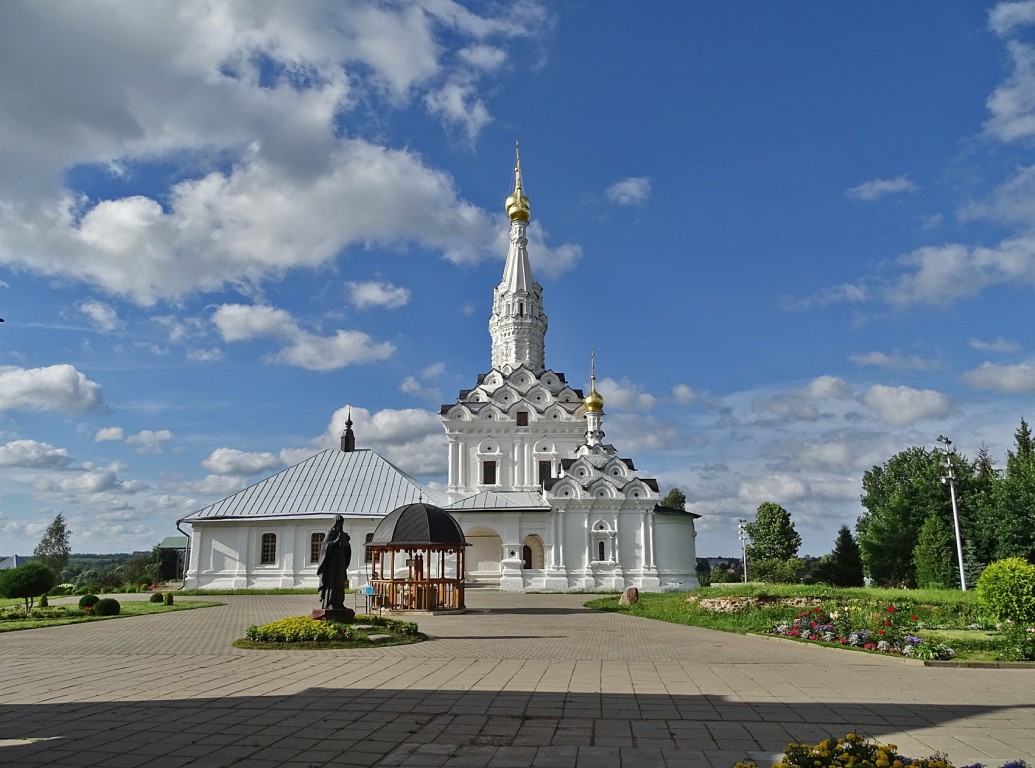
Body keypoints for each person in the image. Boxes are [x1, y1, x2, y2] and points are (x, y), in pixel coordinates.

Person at [317, 515, 351, 610]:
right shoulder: (331, 533)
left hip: (340, 563)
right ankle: (330, 603)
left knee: (340, 583)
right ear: (335, 523)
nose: (341, 525)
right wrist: (336, 541)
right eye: (339, 522)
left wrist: (346, 543)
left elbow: (347, 550)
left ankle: (339, 603)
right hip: (332, 564)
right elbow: (324, 547)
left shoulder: (343, 534)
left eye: (342, 522)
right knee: (332, 583)